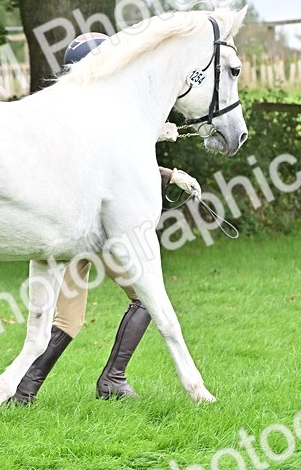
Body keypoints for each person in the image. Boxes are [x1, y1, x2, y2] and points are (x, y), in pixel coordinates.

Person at [11, 32, 202, 404]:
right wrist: (169, 172)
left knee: (67, 320)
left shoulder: (66, 112)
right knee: (145, 297)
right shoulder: (99, 114)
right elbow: (115, 176)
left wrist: (153, 140)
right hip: (99, 230)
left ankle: (24, 390)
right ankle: (112, 379)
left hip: (68, 231)